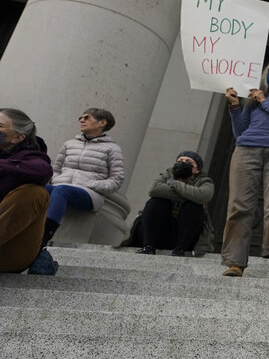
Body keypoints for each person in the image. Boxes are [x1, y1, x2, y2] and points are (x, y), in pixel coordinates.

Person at [220, 58, 269, 279]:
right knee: (238, 206)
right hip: (246, 149)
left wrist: (264, 101)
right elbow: (240, 131)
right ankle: (234, 262)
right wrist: (234, 105)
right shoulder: (253, 102)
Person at [43, 108, 124, 245]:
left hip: (89, 193)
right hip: (61, 187)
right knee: (35, 188)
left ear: (102, 122)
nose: (81, 120)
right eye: (81, 117)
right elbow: (55, 169)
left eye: (87, 117)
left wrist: (93, 185)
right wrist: (57, 180)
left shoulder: (112, 149)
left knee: (61, 190)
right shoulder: (69, 144)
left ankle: (45, 234)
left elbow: (117, 179)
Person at [0, 109, 53, 272]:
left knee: (35, 193)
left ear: (18, 137)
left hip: (11, 250)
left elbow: (43, 171)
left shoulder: (32, 158)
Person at [136, 151, 213, 256]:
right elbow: (153, 189)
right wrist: (188, 195)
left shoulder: (204, 181)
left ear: (197, 170)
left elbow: (203, 195)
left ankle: (180, 250)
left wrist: (175, 184)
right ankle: (148, 246)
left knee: (194, 206)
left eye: (188, 162)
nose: (183, 163)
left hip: (186, 234)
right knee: (155, 202)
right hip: (162, 230)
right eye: (180, 161)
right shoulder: (166, 175)